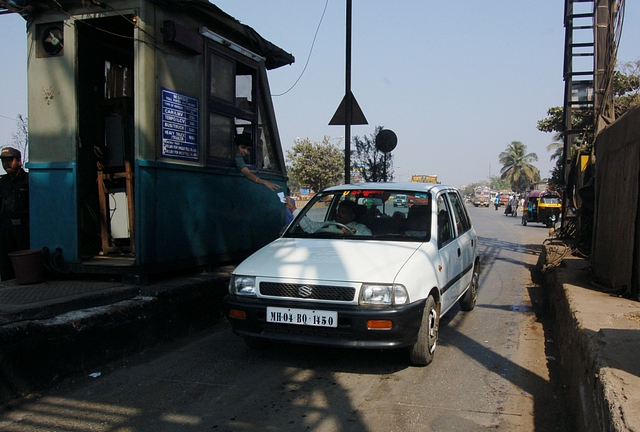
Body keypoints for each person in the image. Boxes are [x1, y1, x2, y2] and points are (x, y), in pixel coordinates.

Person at [0, 147, 29, 280]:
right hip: (6, 228)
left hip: (24, 228)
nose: (6, 164)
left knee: (24, 263)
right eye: (3, 161)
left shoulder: (28, 180)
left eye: (9, 160)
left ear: (19, 161)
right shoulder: (2, 182)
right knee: (6, 264)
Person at [294, 199, 372, 236]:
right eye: (338, 211)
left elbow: (369, 237)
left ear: (352, 216)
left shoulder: (359, 227)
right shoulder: (329, 225)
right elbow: (309, 227)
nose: (338, 214)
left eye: (343, 212)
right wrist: (292, 209)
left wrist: (353, 232)